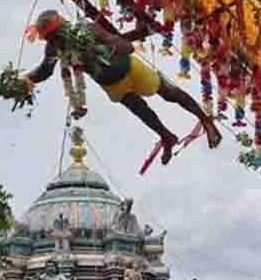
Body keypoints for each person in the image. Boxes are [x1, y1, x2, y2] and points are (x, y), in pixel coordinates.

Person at [22, 10, 222, 165]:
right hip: (112, 85)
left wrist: (101, 50)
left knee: (168, 93)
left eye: (58, 36)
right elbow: (45, 71)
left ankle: (205, 120)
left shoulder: (87, 30)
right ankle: (166, 136)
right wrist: (24, 81)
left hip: (129, 68)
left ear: (65, 27)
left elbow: (126, 47)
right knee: (140, 110)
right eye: (53, 39)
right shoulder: (55, 49)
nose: (57, 42)